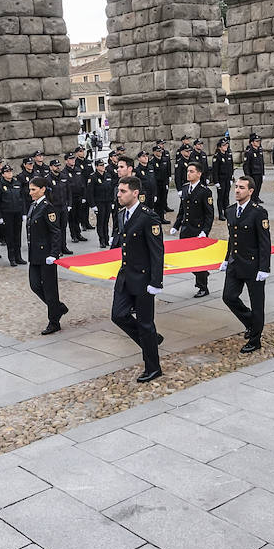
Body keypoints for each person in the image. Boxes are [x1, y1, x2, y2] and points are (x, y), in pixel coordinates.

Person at [109, 175, 165, 382]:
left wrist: (156, 282)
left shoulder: (148, 217)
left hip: (143, 279)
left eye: (123, 191)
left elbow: (157, 252)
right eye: (118, 191)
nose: (119, 195)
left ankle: (153, 367)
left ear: (135, 193)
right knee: (118, 315)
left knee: (145, 324)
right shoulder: (121, 214)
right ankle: (150, 341)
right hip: (125, 276)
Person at [220, 175, 271, 353]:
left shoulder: (258, 212)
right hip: (235, 262)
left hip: (253, 265)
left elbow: (264, 242)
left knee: (257, 304)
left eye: (241, 188)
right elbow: (232, 238)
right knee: (228, 297)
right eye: (236, 187)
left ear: (250, 191)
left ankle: (255, 340)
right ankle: (251, 322)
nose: (237, 190)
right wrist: (226, 259)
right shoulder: (230, 211)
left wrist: (264, 268)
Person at [26, 177, 68, 334]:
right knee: (35, 285)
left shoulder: (47, 207)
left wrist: (54, 254)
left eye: (33, 189)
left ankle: (54, 322)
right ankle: (58, 307)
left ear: (42, 189)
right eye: (30, 189)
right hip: (35, 254)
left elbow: (55, 232)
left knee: (50, 289)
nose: (30, 192)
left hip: (46, 256)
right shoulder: (33, 206)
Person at [171, 162, 214, 298]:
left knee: (198, 260)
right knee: (185, 259)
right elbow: (182, 210)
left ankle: (202, 287)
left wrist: (205, 231)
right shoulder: (185, 188)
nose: (188, 173)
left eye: (191, 171)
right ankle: (203, 273)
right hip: (186, 230)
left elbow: (209, 214)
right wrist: (176, 225)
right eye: (188, 171)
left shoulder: (204, 191)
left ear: (199, 174)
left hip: (198, 230)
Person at [0, 163, 27, 266]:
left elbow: (22, 199)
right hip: (7, 214)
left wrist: (24, 212)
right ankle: (12, 258)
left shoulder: (17, 183)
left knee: (18, 236)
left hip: (17, 213)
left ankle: (18, 257)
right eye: (7, 172)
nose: (9, 173)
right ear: (3, 174)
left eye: (10, 171)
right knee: (10, 237)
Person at [87, 157, 115, 248]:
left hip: (108, 202)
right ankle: (101, 240)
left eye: (103, 165)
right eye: (100, 165)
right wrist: (93, 205)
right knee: (100, 222)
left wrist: (112, 201)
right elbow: (90, 192)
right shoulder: (93, 177)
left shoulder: (108, 175)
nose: (103, 167)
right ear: (96, 167)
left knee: (106, 221)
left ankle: (106, 239)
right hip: (99, 202)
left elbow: (111, 189)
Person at [212, 137, 235, 209]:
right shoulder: (217, 156)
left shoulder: (228, 155)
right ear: (219, 147)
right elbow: (215, 170)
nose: (226, 146)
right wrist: (216, 181)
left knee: (226, 195)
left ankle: (226, 210)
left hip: (227, 179)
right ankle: (220, 212)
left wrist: (231, 177)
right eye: (224, 145)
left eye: (226, 145)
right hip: (221, 179)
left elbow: (231, 167)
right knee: (221, 196)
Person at [243, 133, 265, 204]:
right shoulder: (249, 152)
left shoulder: (259, 150)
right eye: (256, 141)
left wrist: (263, 173)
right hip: (253, 173)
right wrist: (248, 176)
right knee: (253, 189)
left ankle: (256, 199)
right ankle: (252, 201)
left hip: (259, 172)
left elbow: (261, 163)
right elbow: (246, 165)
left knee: (258, 187)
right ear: (252, 142)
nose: (258, 142)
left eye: (259, 141)